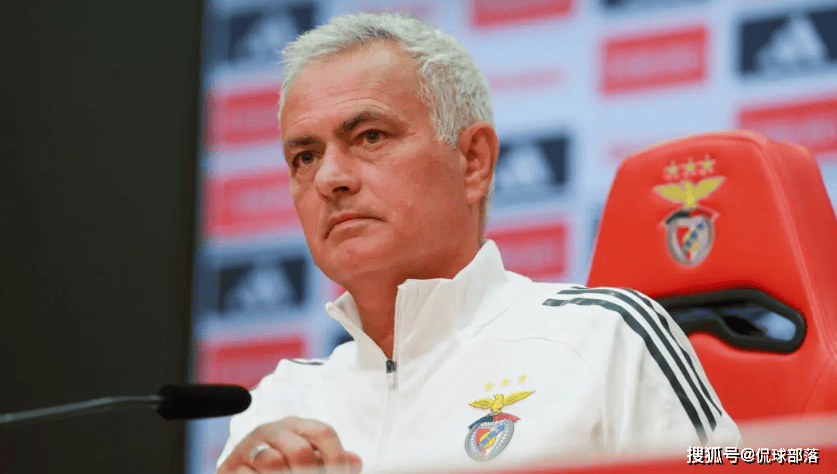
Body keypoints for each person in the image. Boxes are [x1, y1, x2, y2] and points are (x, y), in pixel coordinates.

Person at [216, 12, 741, 474]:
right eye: (305, 157)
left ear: (473, 162)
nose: (330, 178)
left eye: (370, 136)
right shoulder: (279, 406)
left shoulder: (605, 340)